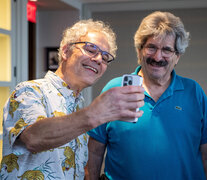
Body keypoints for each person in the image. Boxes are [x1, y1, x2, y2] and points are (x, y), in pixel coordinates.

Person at [0, 19, 145, 180]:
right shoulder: (29, 91)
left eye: (105, 57)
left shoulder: (78, 108)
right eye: (91, 49)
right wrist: (94, 114)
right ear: (65, 51)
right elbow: (33, 139)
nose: (98, 59)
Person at [87, 11, 207, 180]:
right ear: (139, 50)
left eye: (167, 50)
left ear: (177, 56)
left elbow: (205, 153)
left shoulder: (194, 92)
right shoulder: (115, 89)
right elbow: (94, 152)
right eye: (151, 47)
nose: (158, 57)